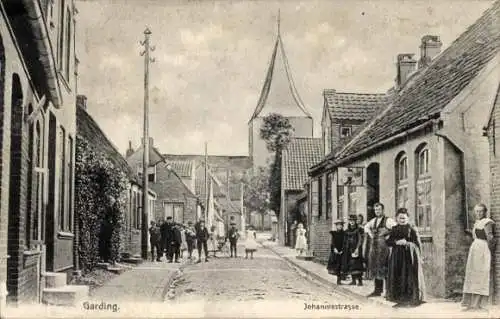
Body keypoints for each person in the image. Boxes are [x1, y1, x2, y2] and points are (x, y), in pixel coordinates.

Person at [386, 208, 426, 307]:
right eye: (400, 218)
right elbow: (388, 242)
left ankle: (411, 299)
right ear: (396, 218)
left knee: (408, 276)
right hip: (397, 257)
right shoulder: (394, 229)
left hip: (409, 256)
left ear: (407, 218)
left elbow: (417, 243)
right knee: (398, 275)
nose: (402, 220)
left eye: (404, 218)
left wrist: (408, 244)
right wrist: (396, 242)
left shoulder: (412, 228)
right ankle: (399, 299)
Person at [462, 204, 496, 311]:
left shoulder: (487, 222)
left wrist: (490, 250)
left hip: (482, 250)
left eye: (481, 211)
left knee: (481, 275)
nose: (479, 213)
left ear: (485, 212)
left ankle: (480, 304)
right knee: (473, 274)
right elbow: (475, 235)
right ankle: (471, 303)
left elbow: (490, 237)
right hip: (475, 249)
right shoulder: (477, 223)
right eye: (477, 211)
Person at [364, 202, 396, 297]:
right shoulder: (373, 221)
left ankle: (388, 292)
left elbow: (396, 229)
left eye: (379, 210)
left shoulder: (388, 220)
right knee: (375, 268)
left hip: (384, 249)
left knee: (385, 269)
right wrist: (370, 234)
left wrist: (389, 237)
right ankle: (377, 290)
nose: (377, 211)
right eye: (376, 210)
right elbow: (366, 227)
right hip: (375, 248)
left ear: (383, 210)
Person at [345, 215, 365, 286]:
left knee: (357, 264)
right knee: (351, 264)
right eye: (350, 220)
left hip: (357, 249)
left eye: (353, 220)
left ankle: (360, 281)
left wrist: (357, 248)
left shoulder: (359, 229)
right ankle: (353, 281)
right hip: (350, 249)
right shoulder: (347, 230)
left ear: (355, 221)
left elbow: (360, 240)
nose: (352, 222)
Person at [327, 220, 346, 285]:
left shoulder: (344, 234)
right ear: (336, 226)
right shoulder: (334, 234)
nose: (339, 226)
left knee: (342, 265)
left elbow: (345, 243)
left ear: (342, 226)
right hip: (336, 251)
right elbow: (333, 242)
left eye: (341, 225)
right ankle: (338, 280)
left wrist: (343, 250)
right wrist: (335, 248)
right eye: (338, 225)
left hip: (343, 251)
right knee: (337, 265)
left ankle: (342, 278)